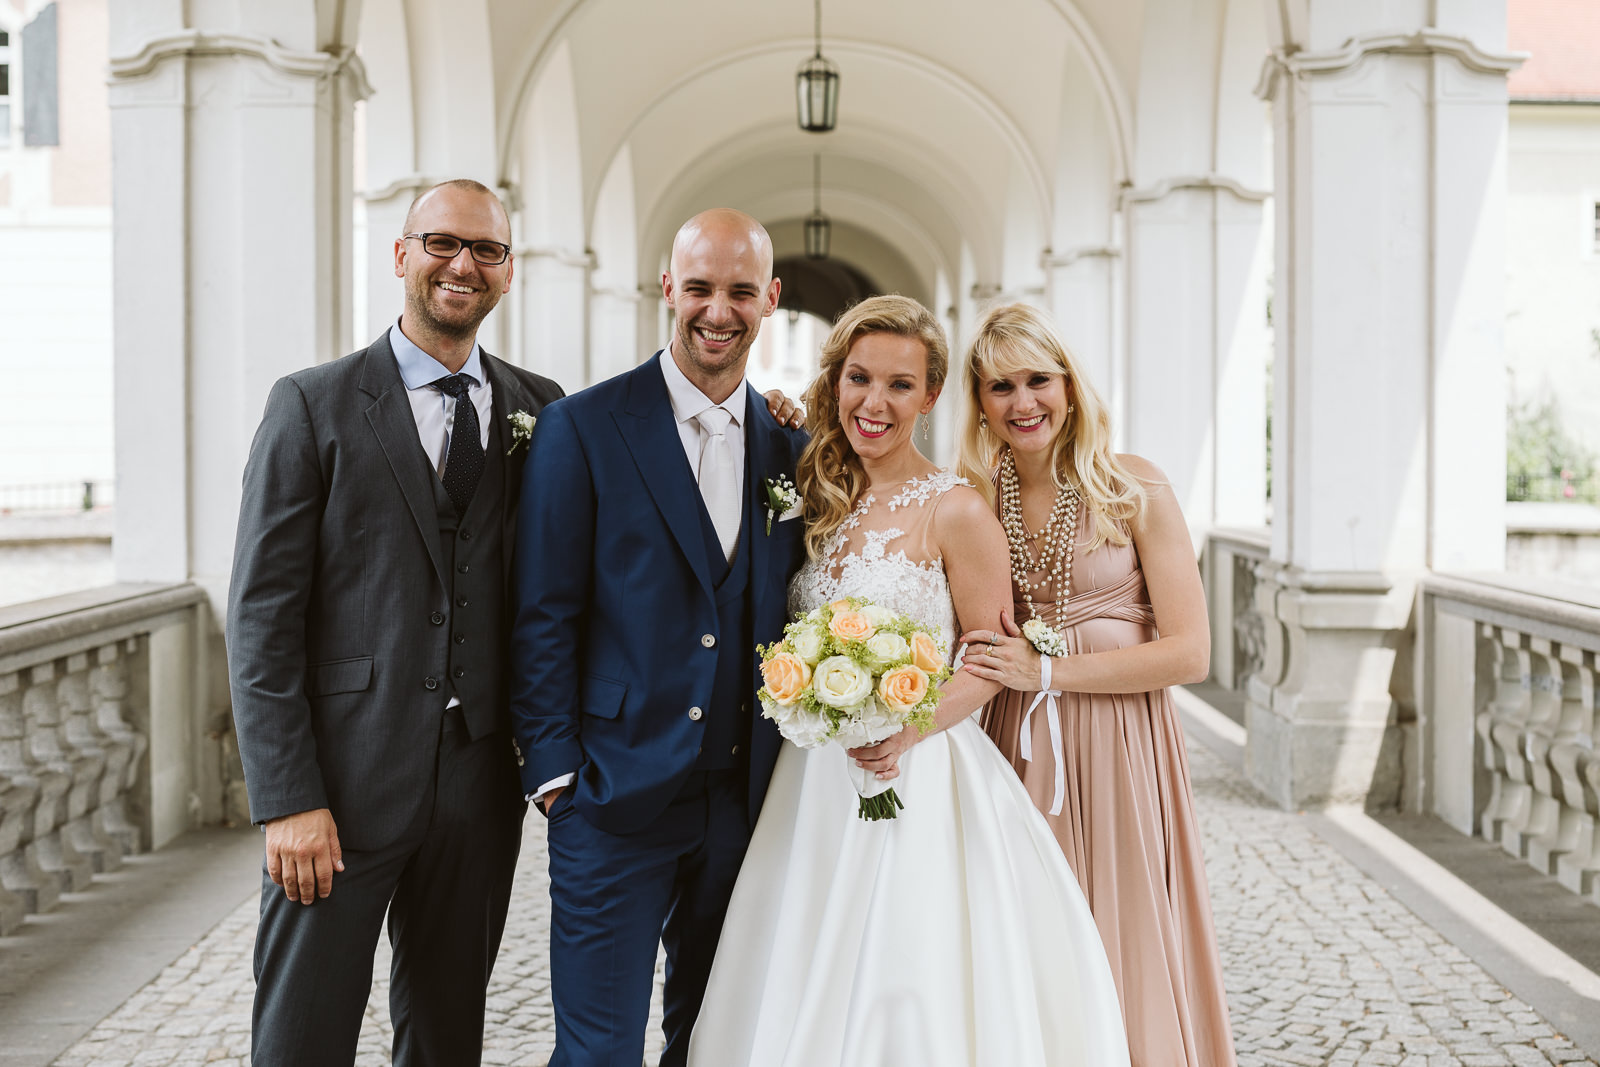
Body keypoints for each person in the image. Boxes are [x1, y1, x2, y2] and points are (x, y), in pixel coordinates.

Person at [688, 295, 1129, 1067]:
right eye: (859, 378)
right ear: (835, 385)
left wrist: (907, 730)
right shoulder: (813, 490)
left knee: (907, 971)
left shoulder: (957, 508)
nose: (874, 402)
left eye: (900, 384)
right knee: (799, 957)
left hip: (919, 773)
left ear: (931, 395)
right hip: (813, 778)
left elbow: (990, 659)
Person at [226, 179, 563, 1065]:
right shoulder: (312, 403)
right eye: (443, 242)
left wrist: (776, 425)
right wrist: (288, 797)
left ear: (509, 271)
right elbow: (261, 615)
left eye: (485, 249)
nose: (463, 264)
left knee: (447, 1033)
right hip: (340, 781)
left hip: (481, 786)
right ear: (403, 254)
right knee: (303, 1034)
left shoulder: (545, 407)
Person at [509, 208, 810, 1067]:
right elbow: (543, 610)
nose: (720, 310)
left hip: (746, 802)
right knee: (599, 1051)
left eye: (741, 291)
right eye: (702, 288)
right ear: (668, 288)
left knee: (715, 1042)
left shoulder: (792, 448)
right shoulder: (587, 426)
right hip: (611, 798)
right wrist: (557, 776)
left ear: (771, 300)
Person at [955, 302, 1236, 1066]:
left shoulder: (1133, 486)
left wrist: (1051, 669)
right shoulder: (971, 500)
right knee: (1031, 932)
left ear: (1070, 387)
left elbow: (1191, 652)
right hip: (1013, 746)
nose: (1024, 403)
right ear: (979, 403)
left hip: (1120, 750)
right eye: (1001, 386)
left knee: (1123, 928)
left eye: (1038, 379)